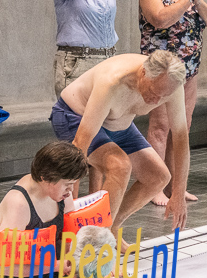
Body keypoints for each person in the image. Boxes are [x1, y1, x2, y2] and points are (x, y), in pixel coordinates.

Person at [51, 50, 190, 229]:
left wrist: (178, 193)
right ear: (143, 73)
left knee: (159, 177)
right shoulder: (112, 81)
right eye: (154, 92)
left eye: (163, 97)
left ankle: (111, 228)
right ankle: (94, 237)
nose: (156, 101)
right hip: (74, 115)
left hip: (117, 123)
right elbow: (80, 145)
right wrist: (70, 210)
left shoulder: (171, 85)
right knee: (120, 166)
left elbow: (180, 138)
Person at [139, 0, 207, 207]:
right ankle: (154, 186)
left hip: (189, 70)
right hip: (161, 70)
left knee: (181, 129)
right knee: (160, 128)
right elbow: (160, 18)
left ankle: (176, 187)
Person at [0, 142, 89, 278]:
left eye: (73, 184)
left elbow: (70, 240)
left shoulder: (62, 196)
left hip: (51, 276)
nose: (71, 191)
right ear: (45, 177)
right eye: (67, 184)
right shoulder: (19, 205)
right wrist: (55, 266)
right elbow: (5, 267)